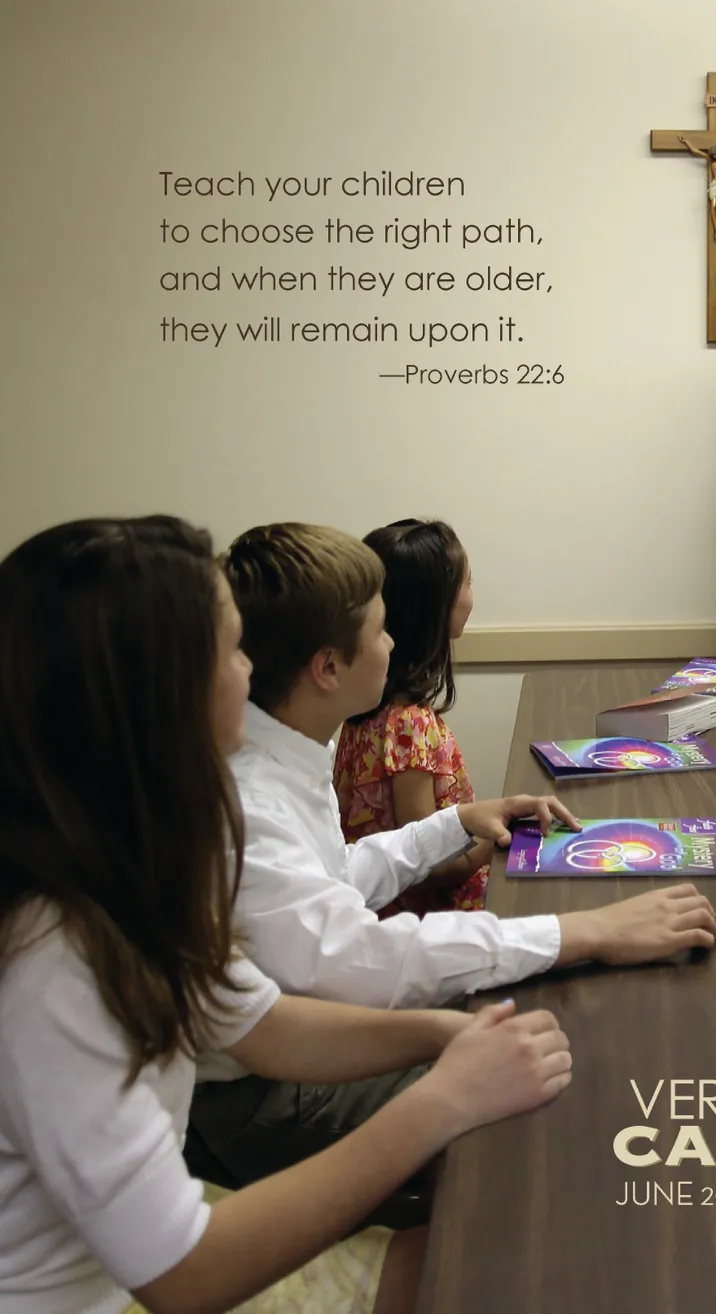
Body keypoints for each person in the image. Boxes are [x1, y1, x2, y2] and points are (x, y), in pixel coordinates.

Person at [0, 515, 573, 1314]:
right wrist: (441, 1101)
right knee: (490, 1259)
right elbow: (184, 1276)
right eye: (231, 650)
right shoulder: (51, 956)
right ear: (159, 696)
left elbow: (261, 1022)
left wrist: (445, 1036)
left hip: (128, 1261)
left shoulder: (130, 866)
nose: (249, 671)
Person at [186, 522, 716, 1199]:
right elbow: (357, 963)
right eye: (379, 630)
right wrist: (582, 932)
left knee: (555, 1032)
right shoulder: (251, 799)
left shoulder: (292, 745)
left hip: (306, 1034)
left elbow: (332, 880)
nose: (391, 643)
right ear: (328, 668)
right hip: (265, 1098)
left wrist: (454, 823)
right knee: (561, 1085)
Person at [334, 519, 489, 917]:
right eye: (468, 583)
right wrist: (499, 835)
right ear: (434, 606)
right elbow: (431, 866)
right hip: (429, 921)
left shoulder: (358, 713)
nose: (472, 596)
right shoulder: (408, 724)